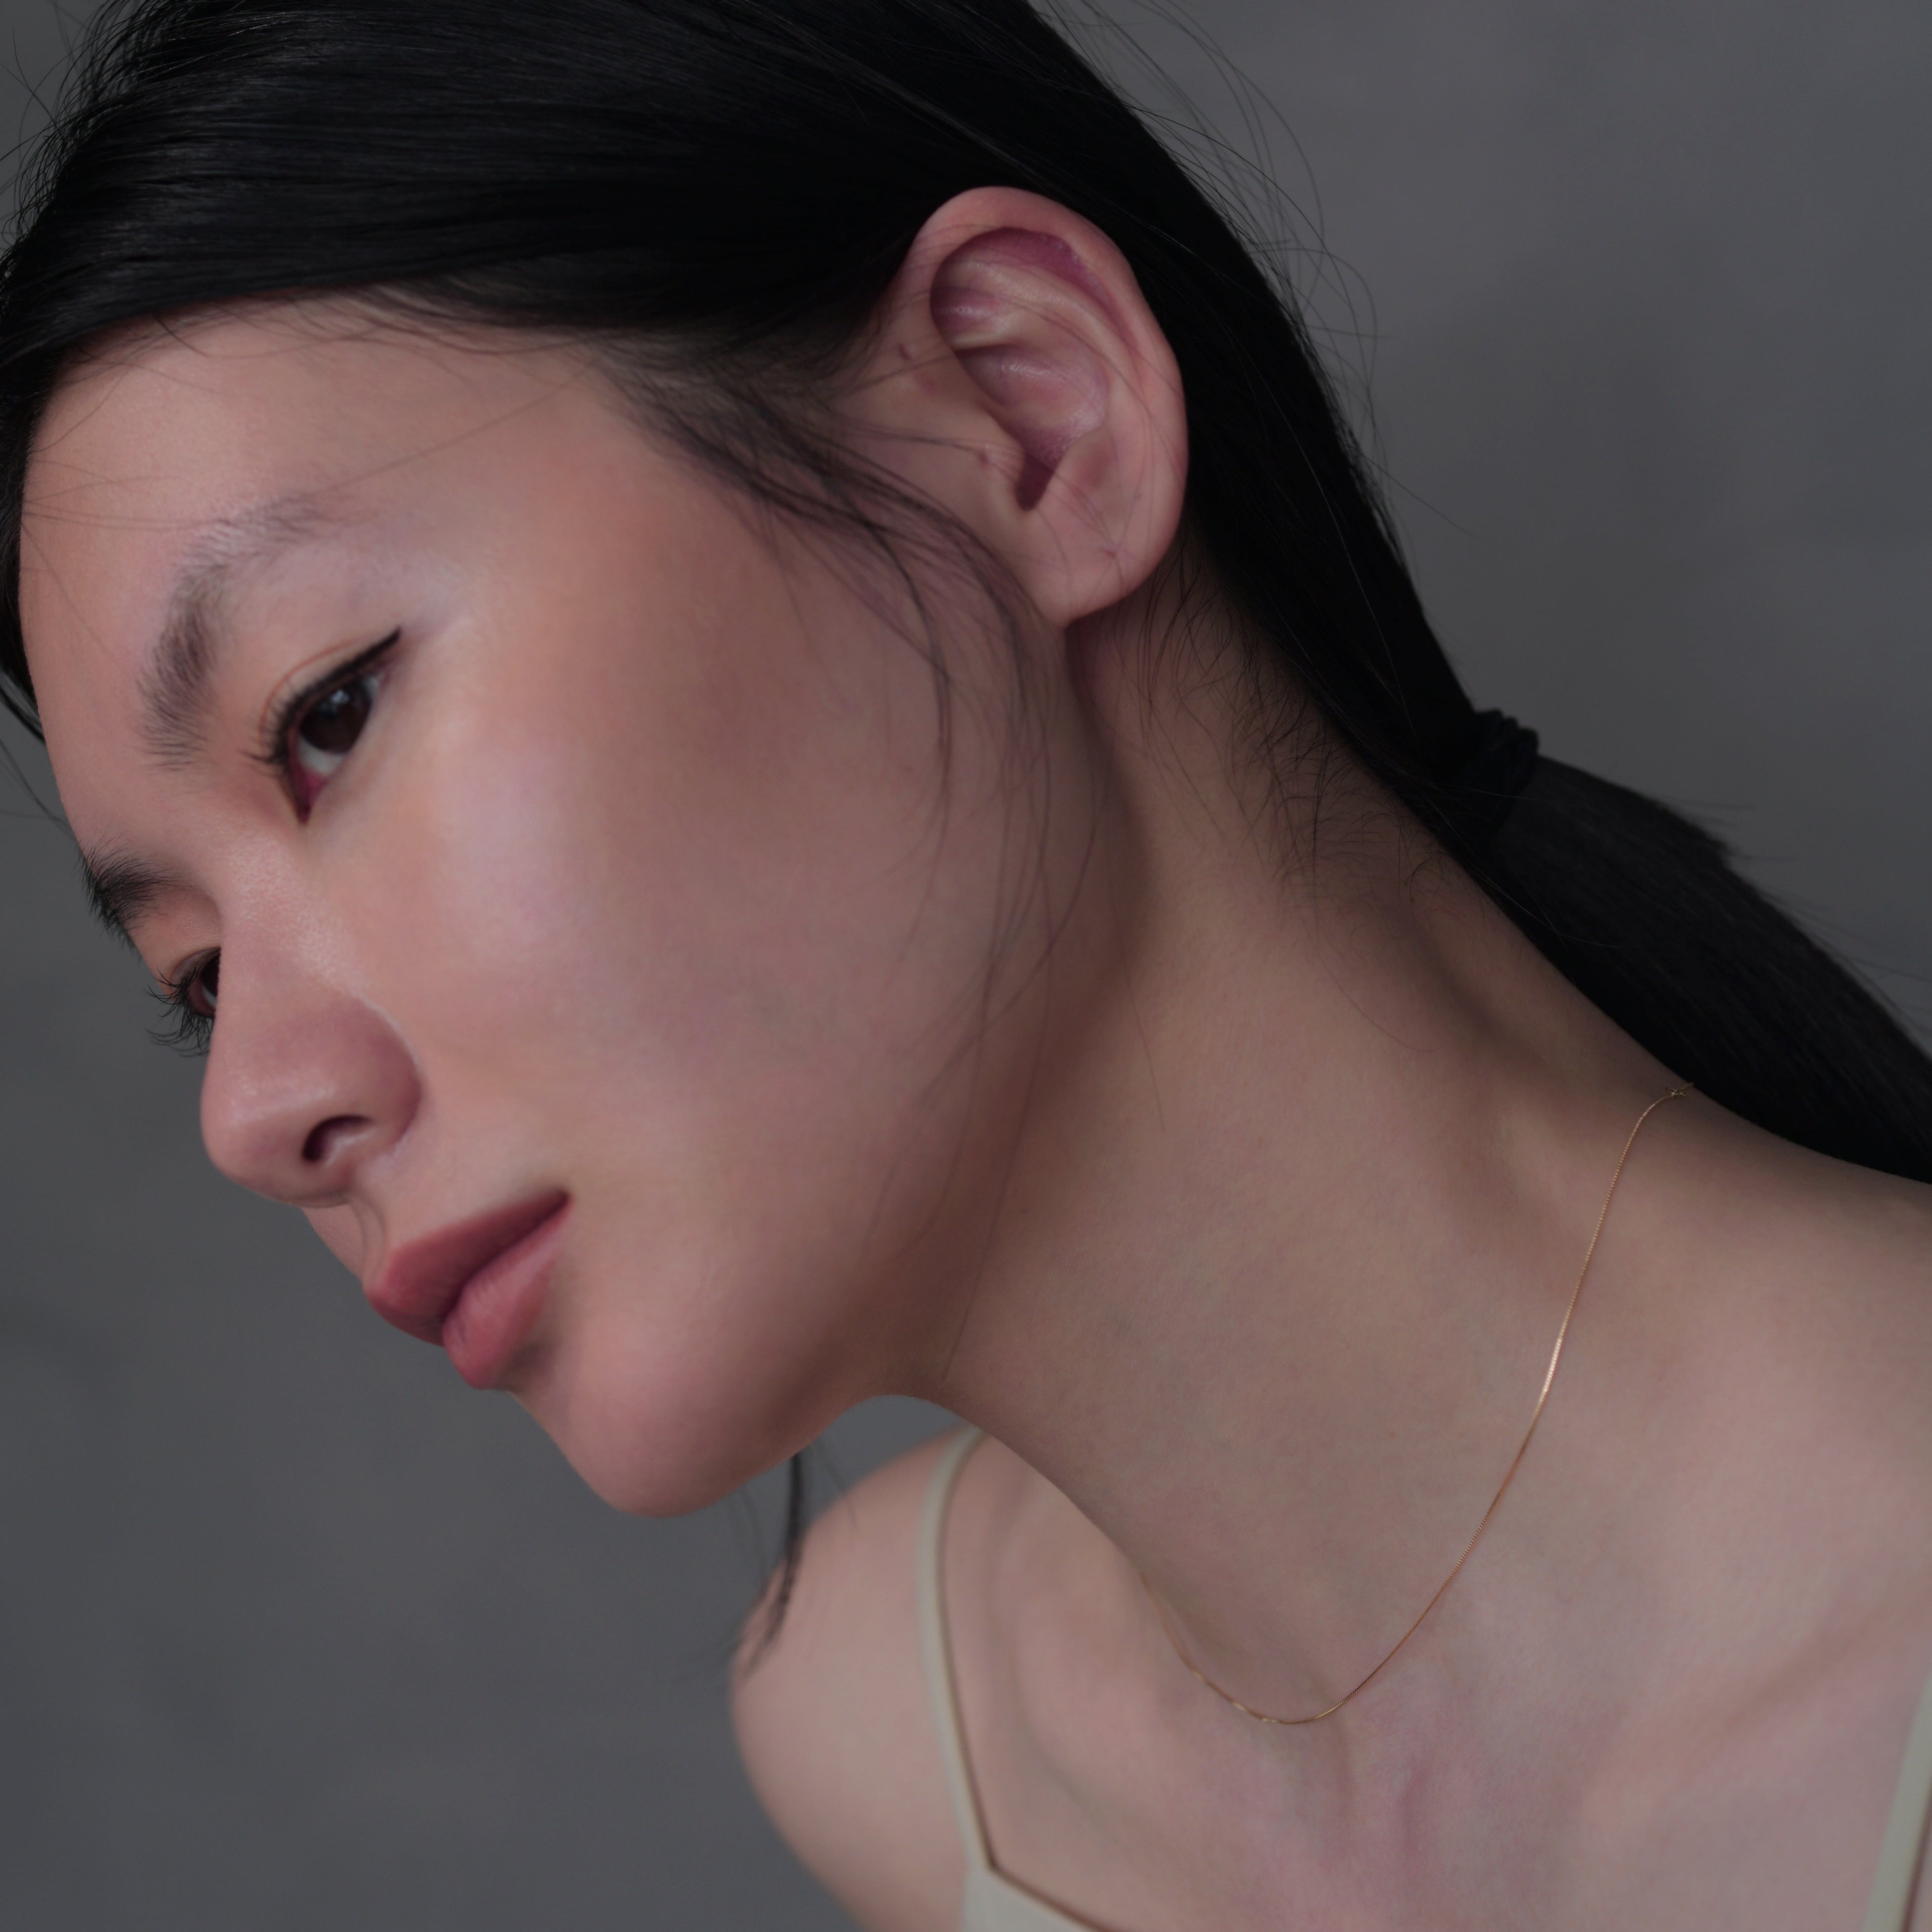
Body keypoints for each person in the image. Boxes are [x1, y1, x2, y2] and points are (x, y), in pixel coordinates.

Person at [3, 0, 1930, 1924]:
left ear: (1027, 417)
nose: (253, 1109)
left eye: (327, 716)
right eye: (196, 977)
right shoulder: (903, 1741)